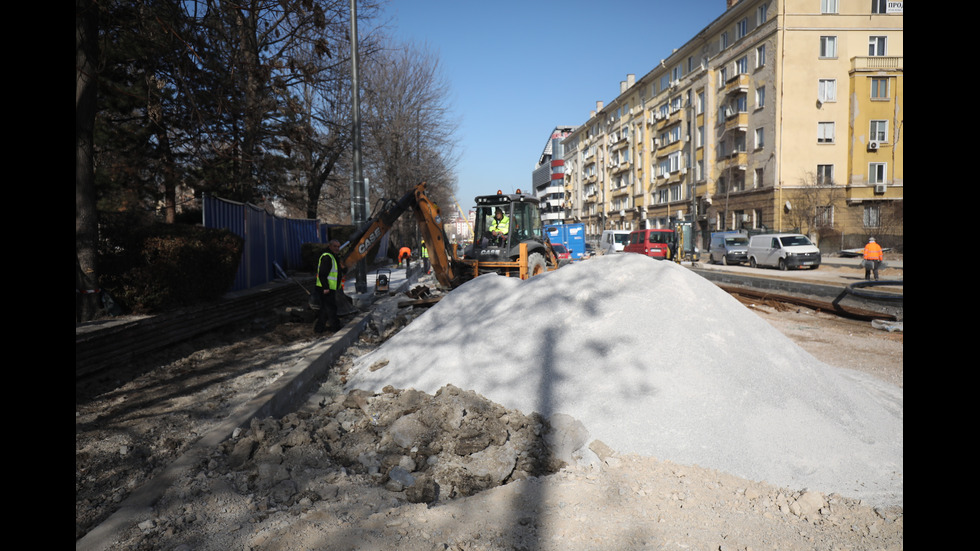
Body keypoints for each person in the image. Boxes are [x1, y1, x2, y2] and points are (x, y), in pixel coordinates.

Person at [314, 240, 343, 334]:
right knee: (331, 308)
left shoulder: (333, 256)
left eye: (338, 246)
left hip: (329, 287)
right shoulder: (327, 257)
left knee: (325, 309)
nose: (337, 248)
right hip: (326, 288)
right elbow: (322, 274)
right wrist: (325, 287)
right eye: (335, 246)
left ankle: (319, 328)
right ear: (330, 246)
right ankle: (335, 327)